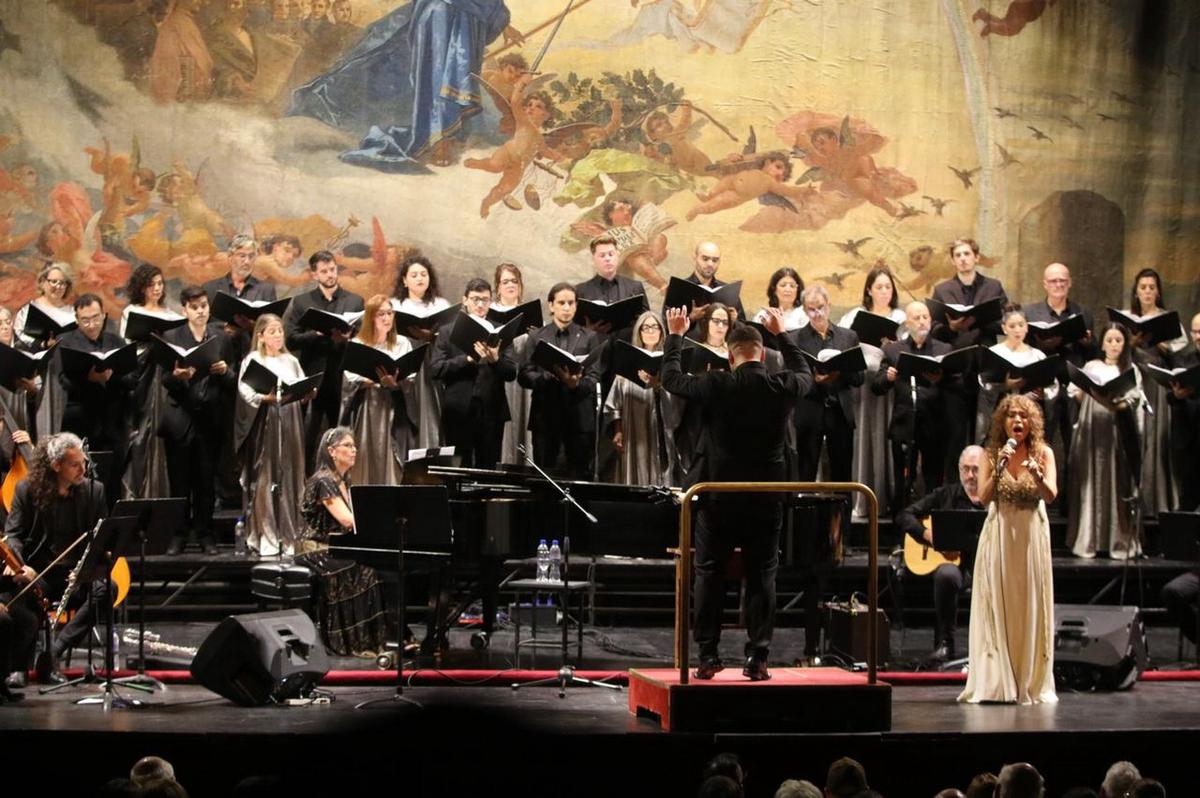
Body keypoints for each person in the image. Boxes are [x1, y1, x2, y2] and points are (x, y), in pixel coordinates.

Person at [661, 306, 812, 681]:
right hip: (766, 497)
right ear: (762, 355)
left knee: (709, 573)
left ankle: (707, 656)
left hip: (718, 495)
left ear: (730, 357)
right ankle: (758, 658)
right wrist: (782, 334)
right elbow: (806, 374)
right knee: (763, 575)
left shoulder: (717, 384)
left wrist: (676, 335)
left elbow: (671, 379)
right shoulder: (780, 387)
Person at [288, 0, 521, 170]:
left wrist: (504, 24)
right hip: (440, 13)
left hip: (470, 20)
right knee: (435, 76)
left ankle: (446, 136)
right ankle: (437, 140)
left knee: (460, 78)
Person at [958, 393, 1057, 705]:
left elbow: (1051, 496)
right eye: (1012, 415)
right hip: (1000, 533)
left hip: (1031, 536)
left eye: (1024, 416)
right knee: (999, 603)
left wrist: (1038, 476)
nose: (1018, 420)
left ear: (1031, 422)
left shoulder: (1044, 453)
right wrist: (999, 467)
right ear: (1003, 421)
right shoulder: (991, 454)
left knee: (1028, 603)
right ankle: (998, 681)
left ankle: (1028, 679)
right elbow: (984, 497)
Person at [3, 433, 107, 682]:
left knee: (107, 588)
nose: (83, 469)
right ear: (56, 465)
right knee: (20, 594)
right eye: (74, 465)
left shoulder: (94, 491)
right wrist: (20, 566)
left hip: (75, 573)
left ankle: (54, 652)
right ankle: (19, 666)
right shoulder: (27, 489)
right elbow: (13, 534)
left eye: (83, 462)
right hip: (39, 572)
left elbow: (101, 538)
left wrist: (89, 566)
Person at [297, 427, 387, 655]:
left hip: (332, 545)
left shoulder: (342, 481)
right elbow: (347, 521)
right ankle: (352, 641)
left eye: (354, 445)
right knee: (363, 569)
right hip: (313, 548)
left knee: (370, 565)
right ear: (331, 451)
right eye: (347, 445)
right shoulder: (324, 481)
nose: (354, 450)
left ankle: (376, 638)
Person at [161, 285, 235, 555]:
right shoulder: (172, 336)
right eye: (195, 307)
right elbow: (164, 378)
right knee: (179, 482)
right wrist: (178, 377)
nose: (201, 311)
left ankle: (205, 534)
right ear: (185, 310)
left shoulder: (221, 337)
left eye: (204, 306)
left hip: (210, 419)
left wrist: (225, 371)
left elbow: (233, 379)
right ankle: (178, 534)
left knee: (206, 482)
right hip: (180, 418)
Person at [896, 445, 986, 661]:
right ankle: (946, 643)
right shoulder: (946, 494)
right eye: (966, 469)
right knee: (946, 574)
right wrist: (929, 535)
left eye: (976, 469)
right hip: (957, 569)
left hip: (984, 566)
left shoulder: (993, 500)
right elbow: (905, 515)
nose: (970, 475)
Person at [1067, 323, 1147, 559]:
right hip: (1092, 428)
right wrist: (1088, 392)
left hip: (1116, 431)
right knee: (1091, 480)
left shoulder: (1130, 369)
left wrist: (1111, 403)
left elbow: (1133, 400)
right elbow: (1076, 393)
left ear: (1125, 344)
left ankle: (1117, 539)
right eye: (1109, 340)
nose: (1114, 345)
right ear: (1102, 344)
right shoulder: (1092, 366)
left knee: (1115, 480)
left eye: (1118, 340)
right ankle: (1089, 539)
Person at [931, 238, 1008, 473]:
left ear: (976, 257)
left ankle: (986, 484)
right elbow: (934, 329)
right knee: (955, 435)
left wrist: (978, 320)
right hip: (955, 371)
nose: (963, 259)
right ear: (953, 260)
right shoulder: (943, 290)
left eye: (967, 254)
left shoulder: (993, 287)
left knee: (986, 433)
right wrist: (951, 327)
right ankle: (954, 487)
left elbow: (1005, 323)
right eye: (958, 255)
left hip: (985, 369)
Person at [872, 301, 956, 512]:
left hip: (935, 423)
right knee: (903, 480)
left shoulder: (944, 349)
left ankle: (932, 525)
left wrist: (941, 380)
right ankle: (899, 527)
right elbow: (877, 386)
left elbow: (958, 384)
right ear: (907, 323)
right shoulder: (894, 350)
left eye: (925, 317)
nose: (922, 322)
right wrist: (888, 378)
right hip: (904, 424)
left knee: (934, 479)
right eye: (916, 318)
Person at [284, 250, 364, 469]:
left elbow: (363, 340)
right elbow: (290, 339)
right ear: (314, 275)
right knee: (308, 434)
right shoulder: (302, 302)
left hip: (342, 376)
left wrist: (346, 340)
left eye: (332, 269)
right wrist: (316, 334)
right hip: (313, 376)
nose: (330, 274)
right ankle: (306, 478)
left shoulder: (355, 301)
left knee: (343, 433)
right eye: (324, 271)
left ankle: (343, 478)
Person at [236, 314, 309, 556]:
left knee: (290, 472)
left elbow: (301, 385)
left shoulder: (291, 360)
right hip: (266, 420)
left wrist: (307, 393)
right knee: (267, 474)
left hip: (290, 419)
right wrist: (264, 398)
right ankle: (267, 534)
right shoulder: (253, 360)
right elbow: (245, 391)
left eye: (280, 330)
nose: (278, 335)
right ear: (261, 336)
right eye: (272, 331)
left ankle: (290, 534)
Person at [839, 266, 906, 520]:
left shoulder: (900, 317)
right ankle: (862, 499)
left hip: (889, 387)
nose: (884, 291)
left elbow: (909, 350)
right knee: (864, 438)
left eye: (888, 287)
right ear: (869, 290)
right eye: (879, 287)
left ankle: (886, 498)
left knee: (886, 438)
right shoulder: (854, 316)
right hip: (862, 388)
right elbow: (845, 344)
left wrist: (893, 347)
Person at [55, 294, 137, 502]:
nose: (91, 325)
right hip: (81, 419)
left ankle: (110, 519)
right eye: (85, 320)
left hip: (113, 421)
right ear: (76, 319)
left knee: (113, 479)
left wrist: (111, 377)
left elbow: (132, 378)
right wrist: (89, 379)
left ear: (103, 315)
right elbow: (63, 380)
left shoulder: (115, 341)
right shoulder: (66, 342)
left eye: (95, 318)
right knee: (79, 478)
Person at [1024, 262, 1095, 501]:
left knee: (1075, 445)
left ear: (1070, 283)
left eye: (1062, 280)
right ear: (1045, 284)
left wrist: (1087, 343)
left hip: (1074, 386)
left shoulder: (1082, 313)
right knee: (1041, 443)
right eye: (1053, 281)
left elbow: (1093, 353)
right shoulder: (1032, 313)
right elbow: (1024, 348)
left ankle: (1071, 503)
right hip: (1044, 386)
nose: (1058, 285)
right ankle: (1039, 498)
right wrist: (1042, 345)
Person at [518, 283, 603, 480]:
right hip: (545, 416)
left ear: (576, 306)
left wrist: (575, 384)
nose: (566, 308)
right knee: (544, 476)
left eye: (571, 303)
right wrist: (547, 376)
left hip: (578, 418)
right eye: (561, 303)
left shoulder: (589, 337)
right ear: (551, 305)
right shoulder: (537, 336)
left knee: (579, 476)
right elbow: (524, 375)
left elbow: (593, 377)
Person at [430, 279, 517, 469]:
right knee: (459, 467)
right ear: (465, 300)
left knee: (489, 466)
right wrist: (467, 359)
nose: (480, 304)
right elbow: (436, 368)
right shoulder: (448, 331)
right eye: (475, 299)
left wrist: (495, 360)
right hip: (458, 409)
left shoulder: (500, 332)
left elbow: (511, 372)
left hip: (492, 409)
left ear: (490, 302)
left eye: (485, 300)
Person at [1126, 268, 1189, 516]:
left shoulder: (1167, 319)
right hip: (1134, 383)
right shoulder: (1129, 319)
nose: (1147, 292)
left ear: (1158, 292)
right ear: (1136, 291)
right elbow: (1113, 350)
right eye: (1143, 287)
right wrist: (1131, 342)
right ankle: (1134, 500)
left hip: (1158, 385)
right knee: (1136, 437)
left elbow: (1182, 354)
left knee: (1157, 439)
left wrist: (1162, 345)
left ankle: (1158, 501)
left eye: (1152, 287)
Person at [341, 294, 416, 484]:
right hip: (368, 405)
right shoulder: (359, 344)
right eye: (381, 314)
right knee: (367, 449)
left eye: (390, 313)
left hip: (394, 405)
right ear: (371, 317)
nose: (386, 318)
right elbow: (349, 378)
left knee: (391, 452)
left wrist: (394, 383)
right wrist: (374, 380)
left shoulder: (402, 343)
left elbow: (411, 377)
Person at [791, 284, 862, 483]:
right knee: (805, 474)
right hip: (810, 411)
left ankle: (843, 506)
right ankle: (804, 505)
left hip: (840, 413)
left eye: (821, 307)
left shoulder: (848, 336)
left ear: (829, 305)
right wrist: (815, 381)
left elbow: (859, 378)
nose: (818, 313)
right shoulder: (794, 339)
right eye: (811, 309)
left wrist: (839, 372)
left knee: (843, 475)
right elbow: (793, 380)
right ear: (804, 310)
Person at [121, 264, 176, 500]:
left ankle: (163, 492)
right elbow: (128, 346)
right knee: (141, 433)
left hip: (164, 376)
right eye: (151, 284)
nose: (156, 288)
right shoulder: (131, 311)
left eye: (160, 283)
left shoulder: (170, 314)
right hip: (142, 377)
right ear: (141, 287)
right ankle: (138, 492)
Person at [603, 311, 677, 486]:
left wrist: (657, 386)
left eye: (655, 327)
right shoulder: (627, 363)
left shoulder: (670, 365)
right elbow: (614, 403)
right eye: (646, 327)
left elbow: (676, 403)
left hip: (658, 430)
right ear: (639, 332)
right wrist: (618, 430)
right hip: (632, 432)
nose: (650, 331)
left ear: (661, 332)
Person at [392, 254, 452, 449]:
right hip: (406, 361)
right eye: (414, 275)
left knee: (434, 408)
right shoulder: (395, 305)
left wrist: (432, 337)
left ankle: (434, 450)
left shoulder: (441, 305)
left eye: (423, 274)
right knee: (409, 408)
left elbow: (450, 337)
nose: (419, 278)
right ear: (404, 280)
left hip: (433, 359)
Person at [673, 303, 732, 486]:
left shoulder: (732, 352)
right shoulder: (693, 348)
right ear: (706, 322)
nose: (720, 326)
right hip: (696, 411)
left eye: (725, 322)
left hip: (724, 413)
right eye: (716, 321)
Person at [975, 304, 1057, 436]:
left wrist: (1044, 393)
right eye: (1012, 326)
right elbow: (984, 384)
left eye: (1021, 325)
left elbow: (1051, 385)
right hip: (1001, 411)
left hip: (1029, 412)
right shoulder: (994, 352)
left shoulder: (1037, 355)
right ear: (1004, 328)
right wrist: (1005, 385)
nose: (1017, 330)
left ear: (1027, 327)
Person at [494, 263, 533, 465]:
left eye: (514, 281)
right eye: (505, 281)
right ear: (498, 287)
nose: (510, 285)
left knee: (525, 420)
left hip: (525, 378)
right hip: (502, 376)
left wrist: (535, 335)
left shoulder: (529, 313)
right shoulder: (492, 313)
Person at [1167, 311, 1200, 511]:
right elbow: (1170, 397)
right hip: (1187, 435)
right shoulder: (1182, 360)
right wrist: (1177, 395)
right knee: (1188, 496)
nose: (1198, 337)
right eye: (1195, 332)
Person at [12, 263, 73, 349]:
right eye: (54, 282)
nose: (58, 286)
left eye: (62, 283)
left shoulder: (73, 313)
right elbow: (18, 337)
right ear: (43, 283)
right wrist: (42, 344)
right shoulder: (27, 311)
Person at [685, 241, 746, 322]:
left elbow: (744, 326)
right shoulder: (680, 287)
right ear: (695, 258)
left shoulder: (728, 291)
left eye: (715, 260)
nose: (710, 264)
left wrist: (734, 321)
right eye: (705, 259)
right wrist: (690, 318)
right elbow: (669, 326)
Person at [752, 267, 806, 332]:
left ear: (798, 290)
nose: (788, 289)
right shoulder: (764, 315)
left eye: (792, 286)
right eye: (783, 285)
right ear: (774, 289)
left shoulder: (806, 314)